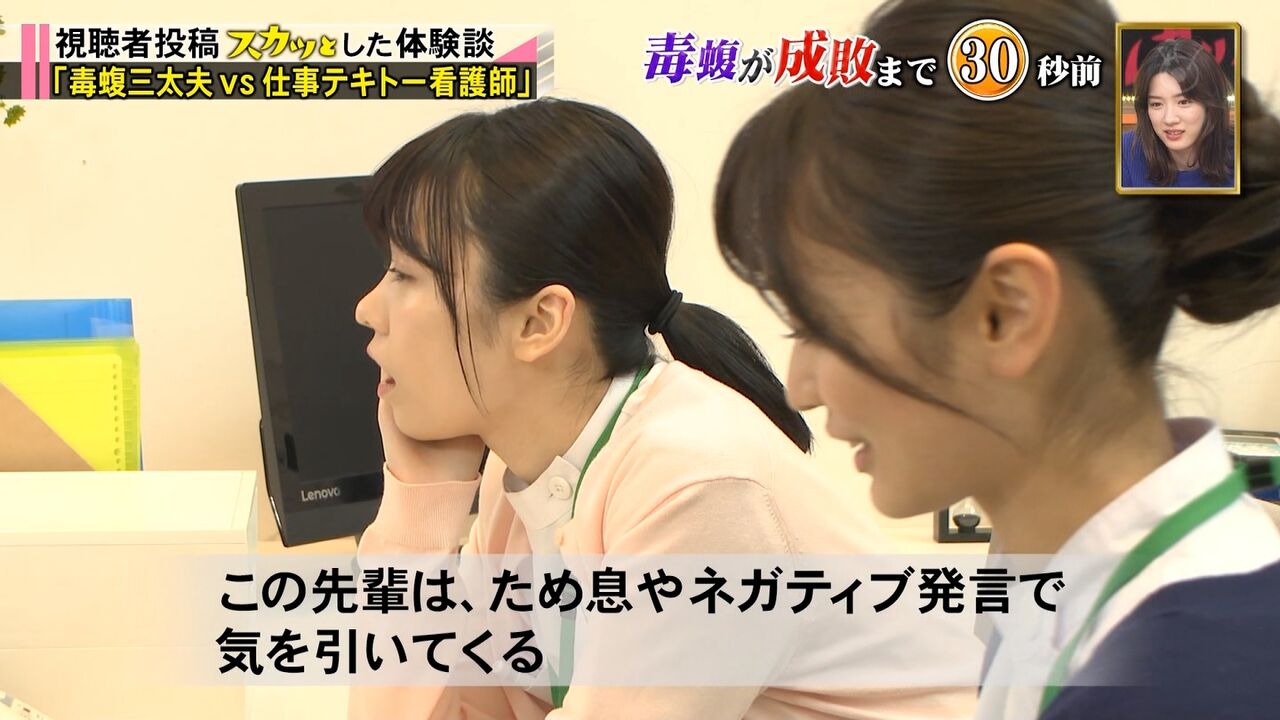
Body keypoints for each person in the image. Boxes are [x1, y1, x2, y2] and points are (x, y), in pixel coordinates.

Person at [714, 0, 1280, 718]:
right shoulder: (1061, 591)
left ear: (1006, 313)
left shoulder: (1182, 679)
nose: (799, 389)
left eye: (817, 325)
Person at [349, 98, 976, 719]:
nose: (367, 310)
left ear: (539, 322)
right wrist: (418, 513)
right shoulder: (526, 473)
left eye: (405, 275)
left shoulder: (696, 486)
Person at [1121, 37, 1236, 188]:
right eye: (1156, 104)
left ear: (1210, 105)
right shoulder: (1126, 151)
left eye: (1184, 102)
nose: (1169, 119)